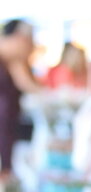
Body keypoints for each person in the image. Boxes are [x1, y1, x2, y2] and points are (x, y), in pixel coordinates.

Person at [0, 19, 41, 180]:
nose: (32, 47)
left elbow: (33, 88)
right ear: (19, 38)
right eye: (30, 40)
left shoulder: (13, 62)